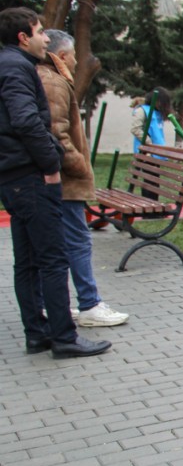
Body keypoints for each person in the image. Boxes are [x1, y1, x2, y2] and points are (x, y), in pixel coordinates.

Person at [0, 7, 111, 358]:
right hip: (30, 176)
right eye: (39, 32)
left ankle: (37, 333)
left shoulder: (7, 65)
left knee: (28, 259)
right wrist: (51, 164)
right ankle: (64, 336)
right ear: (23, 37)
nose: (45, 38)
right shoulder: (18, 68)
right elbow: (26, 121)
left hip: (14, 175)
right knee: (51, 259)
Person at [38, 29, 129, 327]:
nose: (78, 60)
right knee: (76, 241)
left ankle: (53, 303)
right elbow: (55, 133)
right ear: (62, 56)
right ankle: (89, 303)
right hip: (63, 180)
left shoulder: (45, 77)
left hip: (54, 178)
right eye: (74, 54)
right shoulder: (52, 81)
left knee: (57, 243)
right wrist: (79, 165)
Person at [130, 86, 171, 152]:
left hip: (159, 151)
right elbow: (135, 129)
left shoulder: (158, 113)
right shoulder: (142, 110)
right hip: (146, 152)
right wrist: (149, 142)